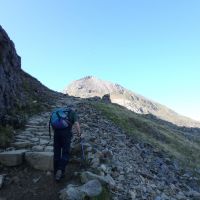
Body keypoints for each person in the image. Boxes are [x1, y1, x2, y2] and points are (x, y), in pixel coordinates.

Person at [50, 107, 81, 181]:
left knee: (56, 153)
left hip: (57, 133)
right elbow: (76, 123)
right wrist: (79, 133)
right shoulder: (73, 113)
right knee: (65, 152)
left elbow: (52, 124)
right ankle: (61, 170)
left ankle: (55, 174)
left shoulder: (60, 112)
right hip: (66, 134)